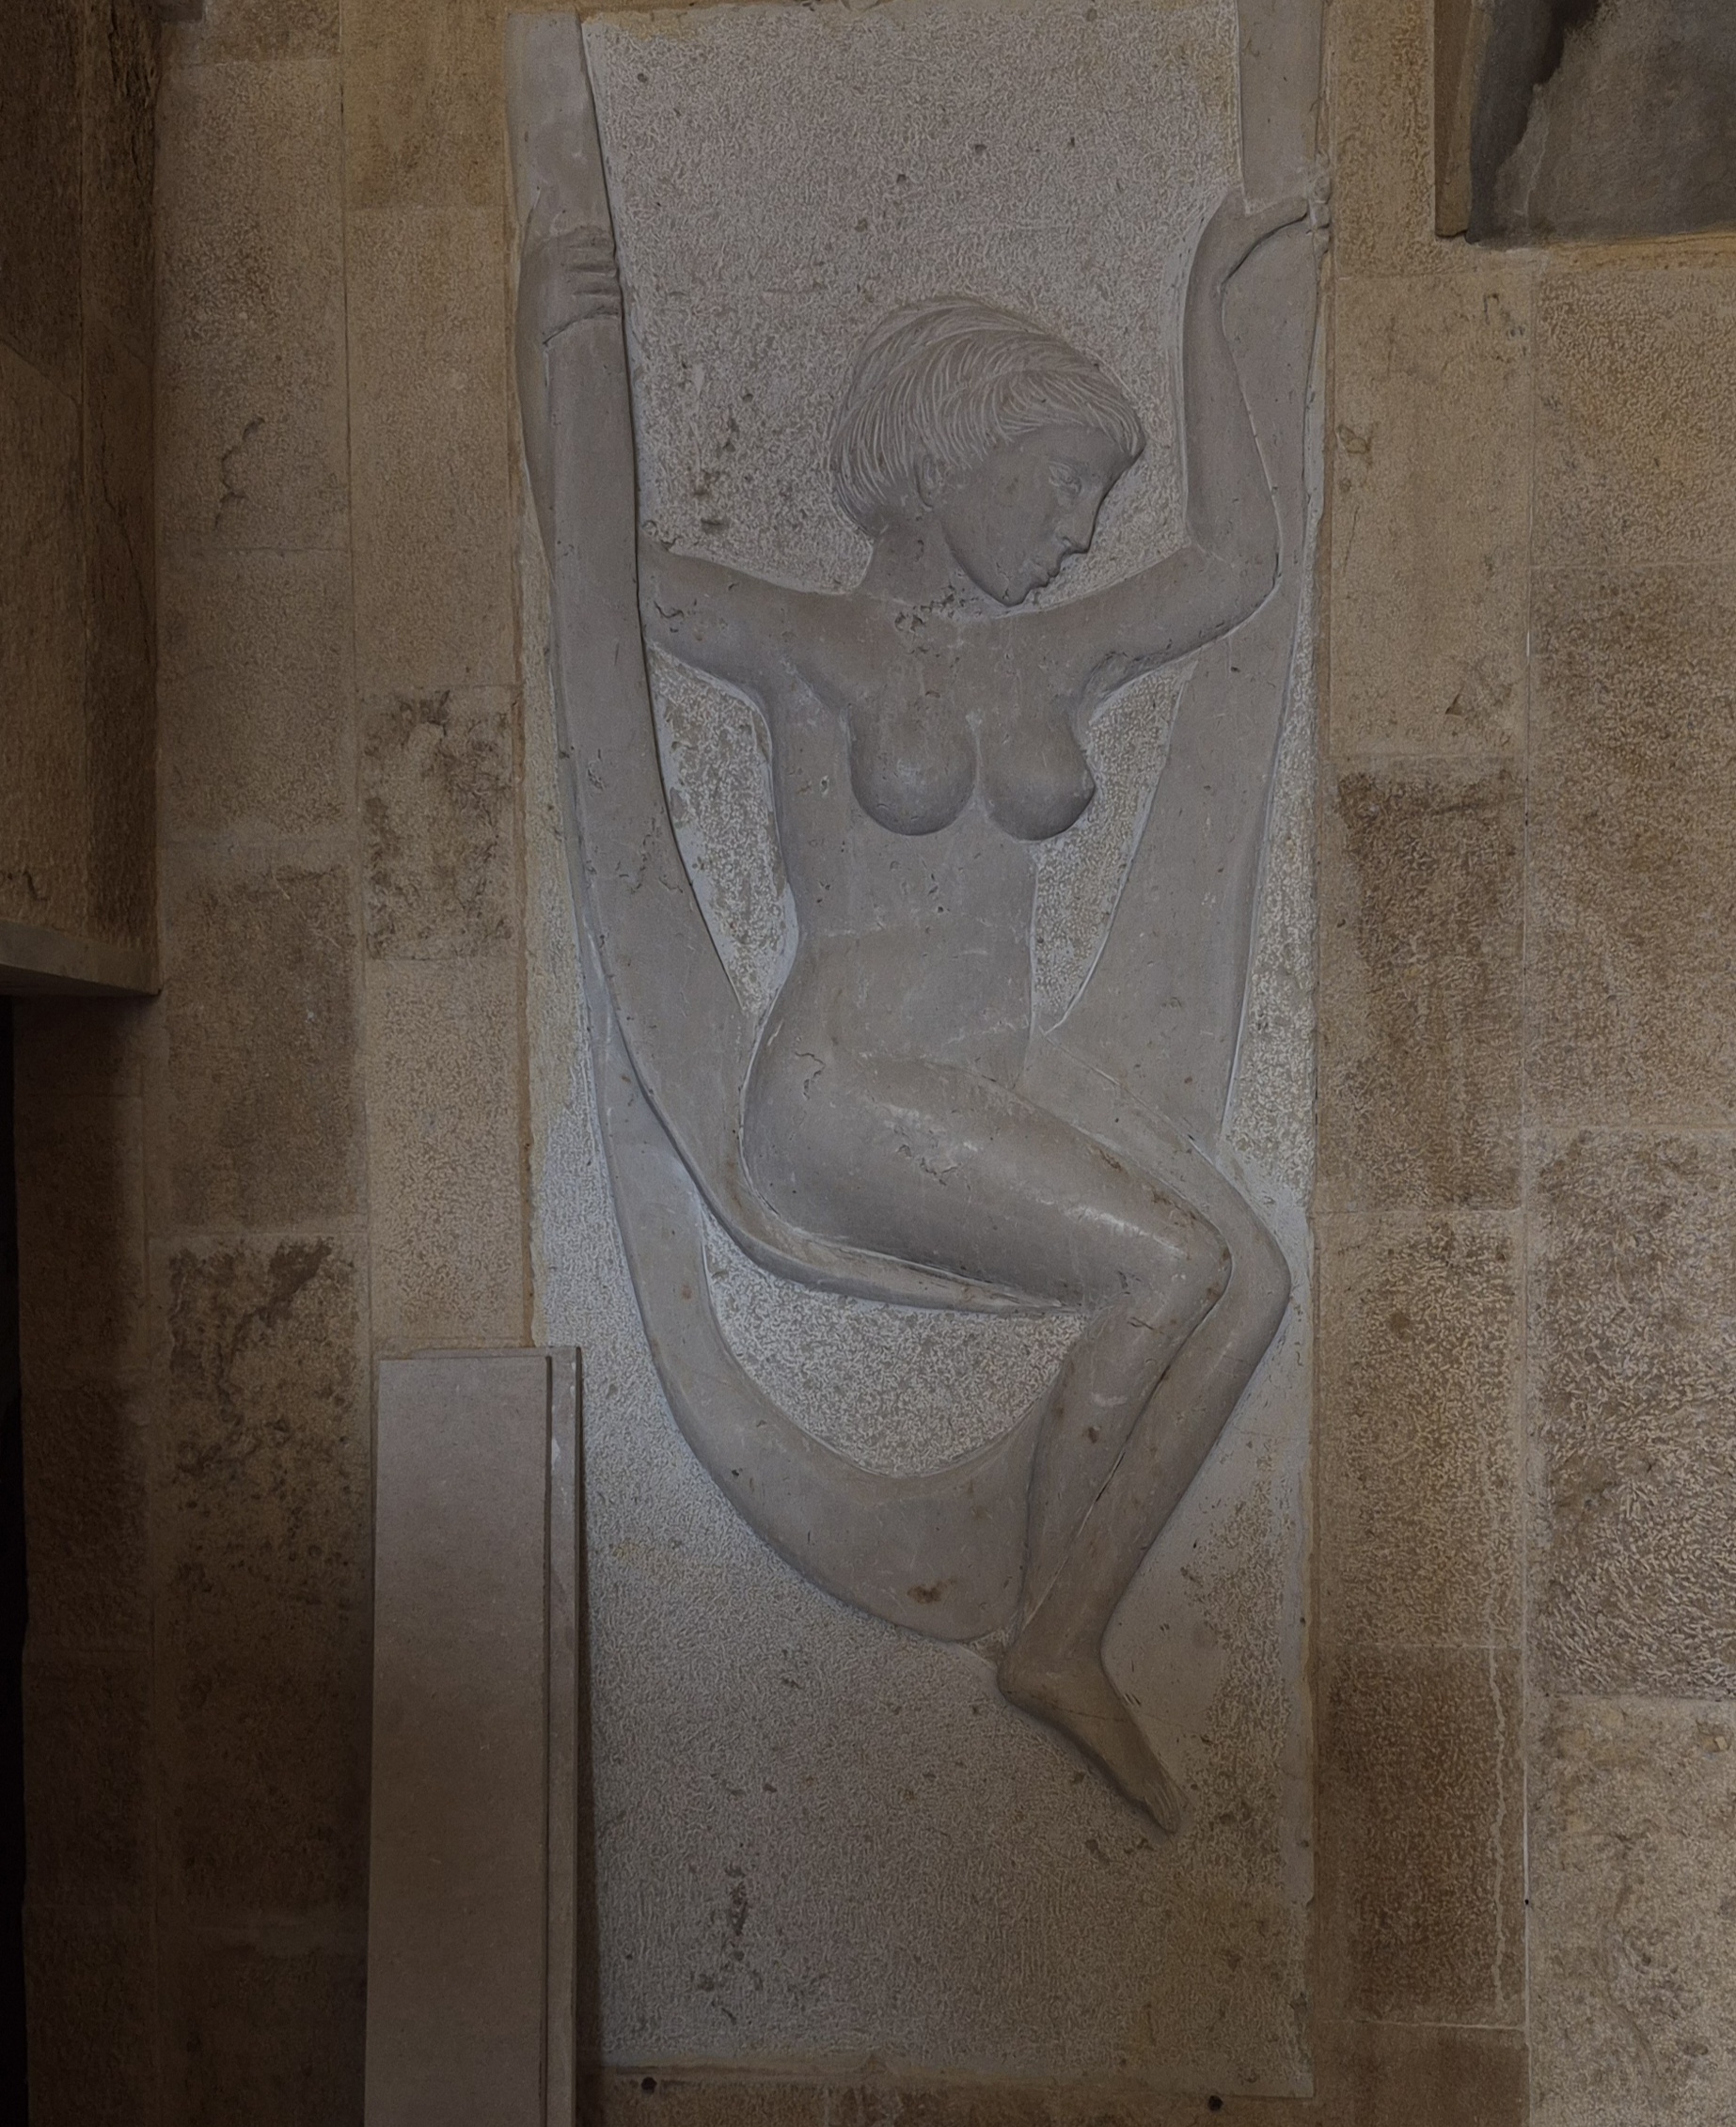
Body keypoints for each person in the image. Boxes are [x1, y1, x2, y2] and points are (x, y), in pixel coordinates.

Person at [518, 87, 1303, 1824]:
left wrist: (1212, 289)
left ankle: (1059, 1630)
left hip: (985, 1081)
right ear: (953, 460)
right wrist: (552, 336)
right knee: (1174, 1270)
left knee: (1246, 1278)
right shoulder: (802, 643)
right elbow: (590, 560)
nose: (1081, 532)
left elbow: (1237, 563)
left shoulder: (1052, 652)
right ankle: (1057, 1639)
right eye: (1063, 486)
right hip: (845, 1094)